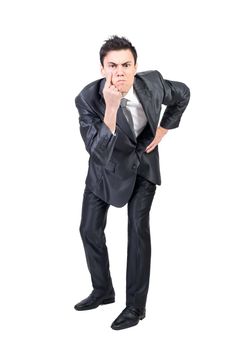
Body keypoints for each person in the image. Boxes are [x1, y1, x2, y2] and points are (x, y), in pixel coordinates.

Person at [74, 35, 190, 330]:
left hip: (141, 166)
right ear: (102, 68)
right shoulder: (87, 99)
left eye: (126, 64)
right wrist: (111, 109)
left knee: (138, 229)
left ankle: (135, 307)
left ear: (135, 66)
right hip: (104, 169)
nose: (120, 72)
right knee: (89, 228)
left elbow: (183, 94)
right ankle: (103, 290)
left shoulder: (152, 83)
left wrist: (163, 130)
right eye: (112, 65)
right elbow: (98, 152)